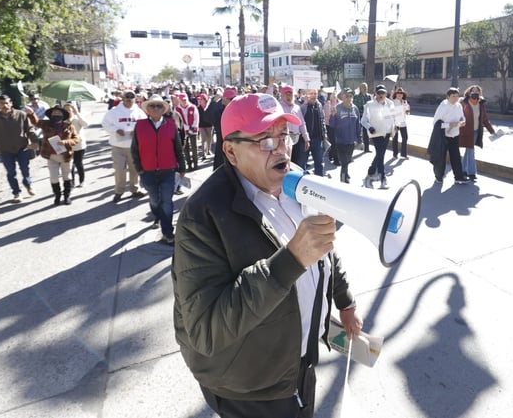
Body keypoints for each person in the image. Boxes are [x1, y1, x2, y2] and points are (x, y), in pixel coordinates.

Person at [172, 92, 362, 418]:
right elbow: (206, 329)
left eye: (283, 136)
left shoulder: (296, 180)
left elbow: (324, 249)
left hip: (298, 363)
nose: (282, 149)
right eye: (264, 140)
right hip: (249, 387)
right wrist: (290, 261)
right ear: (231, 151)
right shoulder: (202, 216)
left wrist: (345, 302)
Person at [131, 95, 186, 242]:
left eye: (159, 106)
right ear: (147, 109)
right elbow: (134, 149)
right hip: (147, 171)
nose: (156, 108)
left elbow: (178, 148)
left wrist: (182, 166)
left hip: (168, 170)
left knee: (167, 201)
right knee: (155, 201)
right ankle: (157, 216)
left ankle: (168, 233)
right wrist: (139, 169)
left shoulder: (170, 124)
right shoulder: (140, 125)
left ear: (164, 109)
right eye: (153, 106)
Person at [0, 95, 38, 203]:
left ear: (11, 103)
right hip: (5, 150)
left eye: (7, 103)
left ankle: (28, 185)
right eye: (2, 103)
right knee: (11, 172)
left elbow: (30, 129)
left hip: (22, 147)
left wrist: (34, 141)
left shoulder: (21, 115)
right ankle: (16, 193)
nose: (5, 105)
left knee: (25, 169)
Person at [28, 105, 79, 206]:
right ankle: (57, 196)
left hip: (65, 156)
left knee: (67, 177)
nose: (56, 115)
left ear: (63, 115)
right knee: (53, 177)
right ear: (51, 115)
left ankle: (67, 196)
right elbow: (36, 122)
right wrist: (31, 113)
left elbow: (76, 139)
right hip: (51, 155)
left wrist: (65, 142)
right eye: (54, 113)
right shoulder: (46, 124)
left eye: (59, 113)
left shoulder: (69, 126)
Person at [101, 90, 147, 202]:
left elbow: (145, 126)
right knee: (119, 170)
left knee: (134, 170)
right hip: (118, 146)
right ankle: (119, 191)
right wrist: (116, 130)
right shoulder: (114, 111)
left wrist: (136, 132)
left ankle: (135, 189)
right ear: (123, 98)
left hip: (134, 146)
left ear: (135, 99)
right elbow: (105, 123)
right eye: (127, 96)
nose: (129, 99)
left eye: (132, 97)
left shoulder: (139, 112)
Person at [459, 85, 496, 182]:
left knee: (469, 151)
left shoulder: (481, 104)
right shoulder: (464, 103)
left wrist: (492, 131)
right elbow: (459, 116)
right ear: (469, 92)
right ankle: (471, 173)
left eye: (477, 91)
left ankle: (464, 171)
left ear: (480, 93)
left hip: (476, 131)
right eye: (473, 91)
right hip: (466, 130)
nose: (475, 92)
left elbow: (485, 119)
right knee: (470, 151)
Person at [432, 88, 469, 185]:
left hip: (455, 135)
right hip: (443, 135)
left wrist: (463, 121)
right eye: (453, 96)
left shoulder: (458, 106)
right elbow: (436, 123)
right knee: (441, 157)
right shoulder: (443, 106)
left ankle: (459, 177)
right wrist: (449, 125)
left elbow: (462, 117)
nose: (456, 98)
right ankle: (439, 176)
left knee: (456, 157)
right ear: (448, 97)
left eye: (457, 96)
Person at [361, 84, 395, 189]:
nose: (381, 95)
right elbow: (363, 120)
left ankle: (371, 171)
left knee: (380, 154)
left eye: (383, 93)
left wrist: (397, 125)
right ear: (375, 93)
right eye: (379, 93)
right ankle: (383, 179)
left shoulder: (390, 104)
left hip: (387, 132)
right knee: (381, 156)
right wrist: (369, 127)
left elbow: (395, 117)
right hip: (376, 134)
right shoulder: (369, 104)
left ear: (386, 94)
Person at [329, 88, 362, 184]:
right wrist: (333, 116)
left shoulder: (355, 108)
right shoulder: (337, 108)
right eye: (346, 96)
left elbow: (358, 124)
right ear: (342, 97)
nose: (349, 98)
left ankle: (346, 173)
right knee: (343, 162)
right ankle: (343, 180)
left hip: (351, 141)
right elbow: (332, 124)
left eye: (350, 96)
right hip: (340, 141)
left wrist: (359, 139)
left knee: (347, 160)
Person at [279, 85, 309, 167]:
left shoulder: (297, 108)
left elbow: (302, 123)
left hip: (296, 138)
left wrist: (306, 139)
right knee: (285, 163)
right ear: (282, 95)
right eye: (286, 94)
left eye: (291, 94)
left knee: (297, 164)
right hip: (284, 139)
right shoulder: (278, 107)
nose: (289, 96)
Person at [299, 89, 326, 176]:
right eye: (311, 94)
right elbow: (299, 119)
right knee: (302, 164)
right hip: (304, 140)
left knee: (319, 163)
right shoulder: (301, 105)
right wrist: (305, 104)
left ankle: (319, 183)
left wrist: (324, 133)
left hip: (317, 139)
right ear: (307, 95)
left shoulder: (319, 105)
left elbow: (322, 120)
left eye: (315, 94)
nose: (313, 95)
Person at [63, 102, 89, 188]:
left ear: (73, 111)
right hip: (68, 145)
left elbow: (86, 124)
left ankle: (82, 180)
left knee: (78, 163)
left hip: (79, 145)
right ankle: (72, 183)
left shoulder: (77, 119)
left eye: (69, 110)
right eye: (65, 110)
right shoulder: (63, 121)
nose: (67, 112)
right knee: (70, 165)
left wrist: (77, 113)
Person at [212, 88, 238, 170]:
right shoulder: (218, 111)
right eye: (231, 99)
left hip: (236, 145)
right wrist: (213, 103)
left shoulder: (238, 111)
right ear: (224, 100)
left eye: (234, 99)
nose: (233, 101)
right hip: (222, 145)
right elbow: (208, 118)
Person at [390, 87, 410, 160]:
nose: (399, 94)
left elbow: (408, 112)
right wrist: (391, 97)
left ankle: (404, 154)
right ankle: (395, 154)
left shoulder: (404, 101)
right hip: (395, 122)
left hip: (403, 122)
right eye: (398, 93)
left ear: (403, 94)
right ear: (396, 94)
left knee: (405, 137)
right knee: (395, 139)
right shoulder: (393, 101)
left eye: (401, 93)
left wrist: (407, 109)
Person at [352, 83, 372, 153]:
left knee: (366, 132)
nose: (365, 89)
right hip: (359, 115)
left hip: (366, 116)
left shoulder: (369, 96)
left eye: (366, 87)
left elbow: (370, 106)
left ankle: (367, 148)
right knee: (358, 131)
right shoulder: (356, 97)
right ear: (360, 89)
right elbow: (355, 107)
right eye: (364, 87)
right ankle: (356, 145)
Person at [323, 91, 339, 165]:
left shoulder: (339, 103)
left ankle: (331, 155)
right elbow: (327, 115)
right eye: (333, 95)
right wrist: (333, 113)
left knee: (336, 142)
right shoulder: (327, 104)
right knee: (333, 142)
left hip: (338, 126)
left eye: (335, 95)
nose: (334, 96)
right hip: (329, 125)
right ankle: (336, 159)